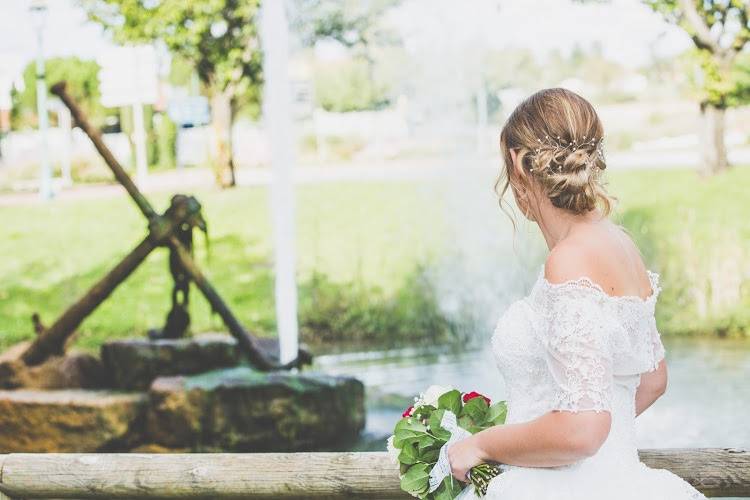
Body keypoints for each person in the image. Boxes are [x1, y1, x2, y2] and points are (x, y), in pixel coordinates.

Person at [446, 88, 707, 499]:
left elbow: (583, 429)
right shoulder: (619, 243)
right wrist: (560, 441)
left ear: (517, 162)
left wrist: (483, 443)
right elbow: (653, 379)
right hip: (620, 481)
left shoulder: (568, 260)